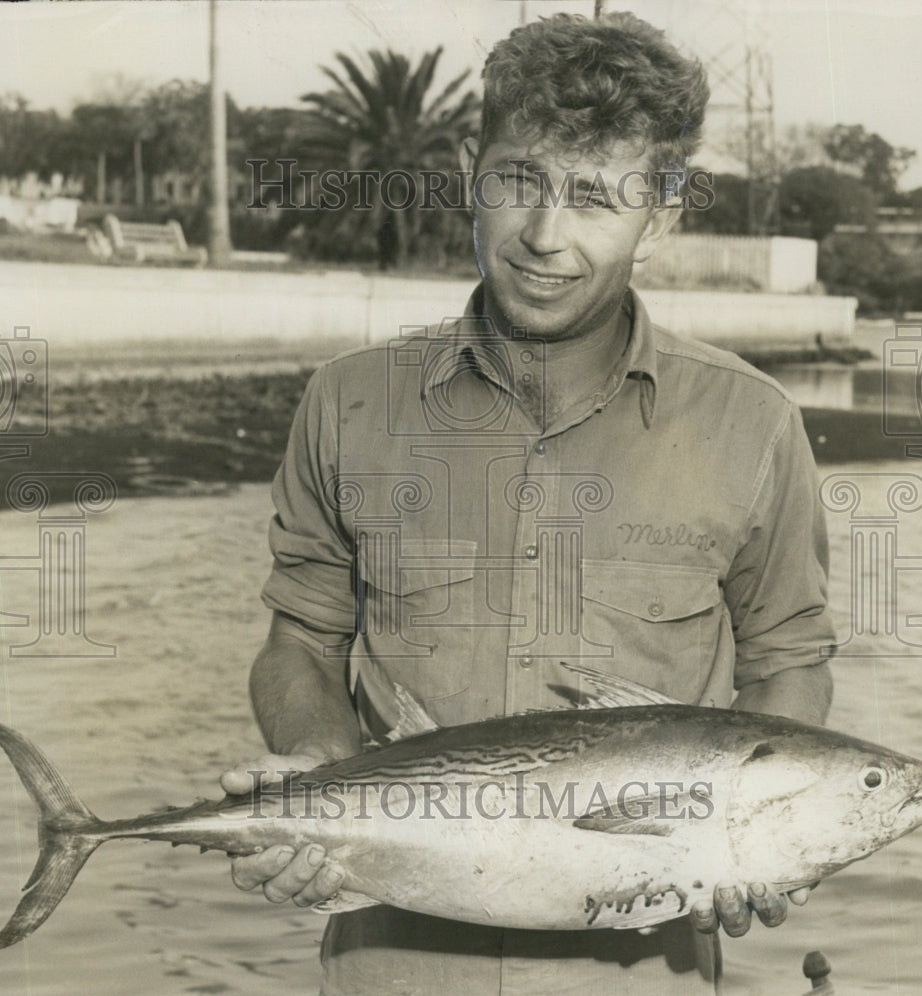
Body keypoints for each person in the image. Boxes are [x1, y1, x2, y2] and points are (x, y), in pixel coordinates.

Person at [220, 12, 835, 994]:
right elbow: (298, 643)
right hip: (391, 961)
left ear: (663, 211)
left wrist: (759, 832)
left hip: (646, 969)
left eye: (595, 197)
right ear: (471, 166)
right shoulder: (348, 402)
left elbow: (789, 661)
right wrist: (319, 778)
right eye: (518, 181)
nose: (544, 237)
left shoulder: (752, 424)